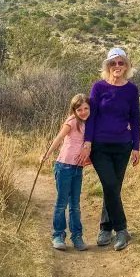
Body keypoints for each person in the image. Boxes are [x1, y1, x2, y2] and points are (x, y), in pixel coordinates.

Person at [83, 47, 140, 251]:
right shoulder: (98, 88)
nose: (117, 66)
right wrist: (87, 142)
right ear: (107, 65)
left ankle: (105, 229)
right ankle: (122, 229)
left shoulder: (131, 90)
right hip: (100, 146)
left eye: (121, 62)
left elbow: (135, 119)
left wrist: (137, 146)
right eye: (113, 63)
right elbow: (90, 117)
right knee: (109, 184)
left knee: (113, 187)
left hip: (123, 146)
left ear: (127, 66)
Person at [40, 93, 92, 251]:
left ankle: (77, 236)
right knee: (62, 203)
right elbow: (58, 138)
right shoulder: (72, 121)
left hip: (78, 168)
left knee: (75, 204)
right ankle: (58, 235)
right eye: (79, 109)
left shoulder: (90, 124)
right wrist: (47, 154)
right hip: (64, 166)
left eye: (86, 108)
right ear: (74, 110)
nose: (83, 112)